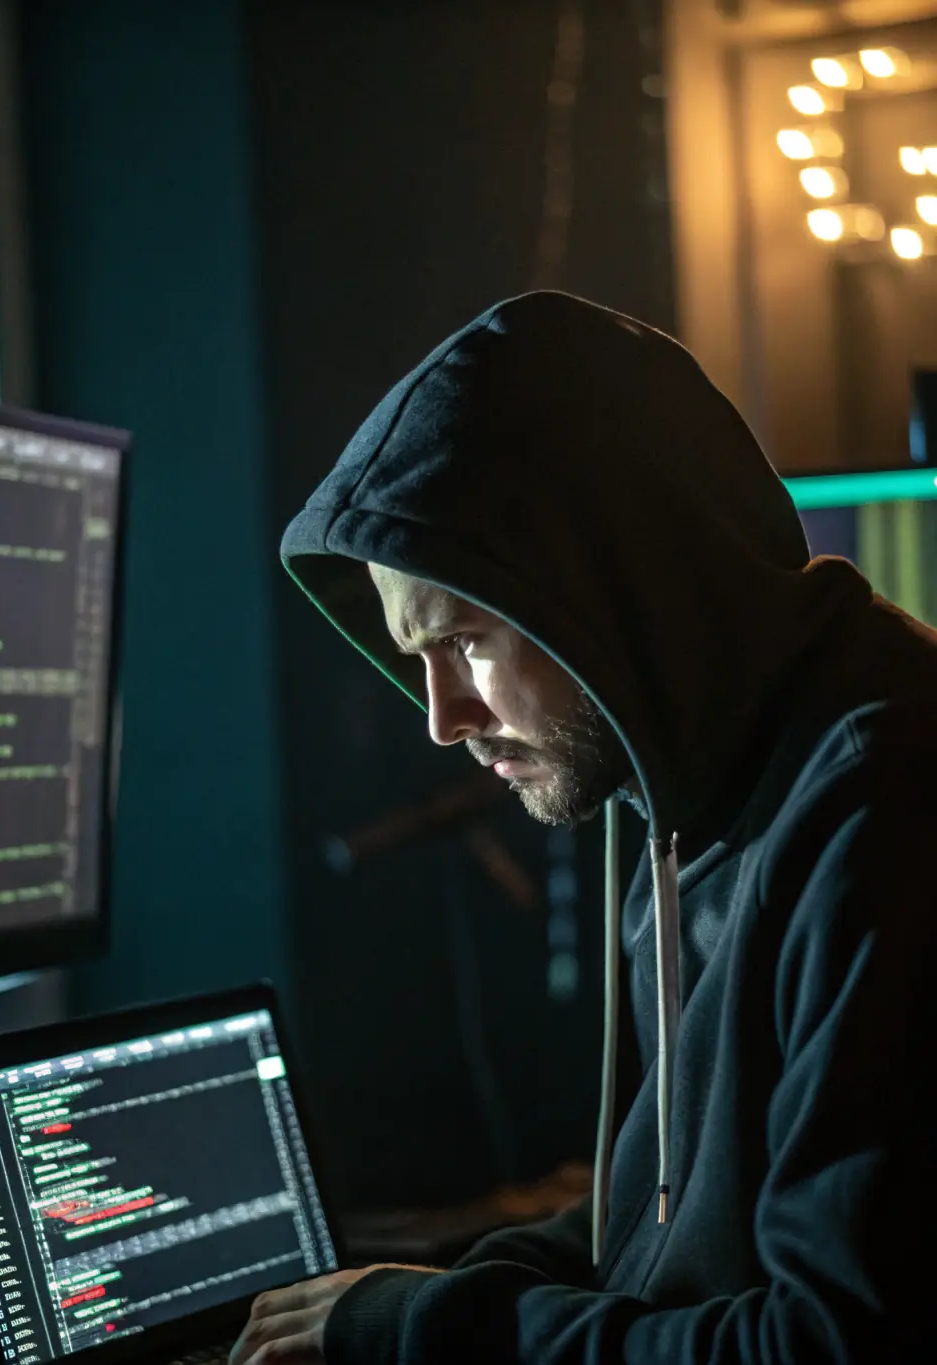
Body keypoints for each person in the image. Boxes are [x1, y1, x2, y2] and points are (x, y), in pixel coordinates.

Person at [231, 291, 937, 1365]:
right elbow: (681, 1211)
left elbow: (828, 1345)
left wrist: (431, 1330)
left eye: (462, 642)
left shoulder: (885, 802)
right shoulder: (695, 783)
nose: (442, 721)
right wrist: (478, 1283)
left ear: (617, 587)